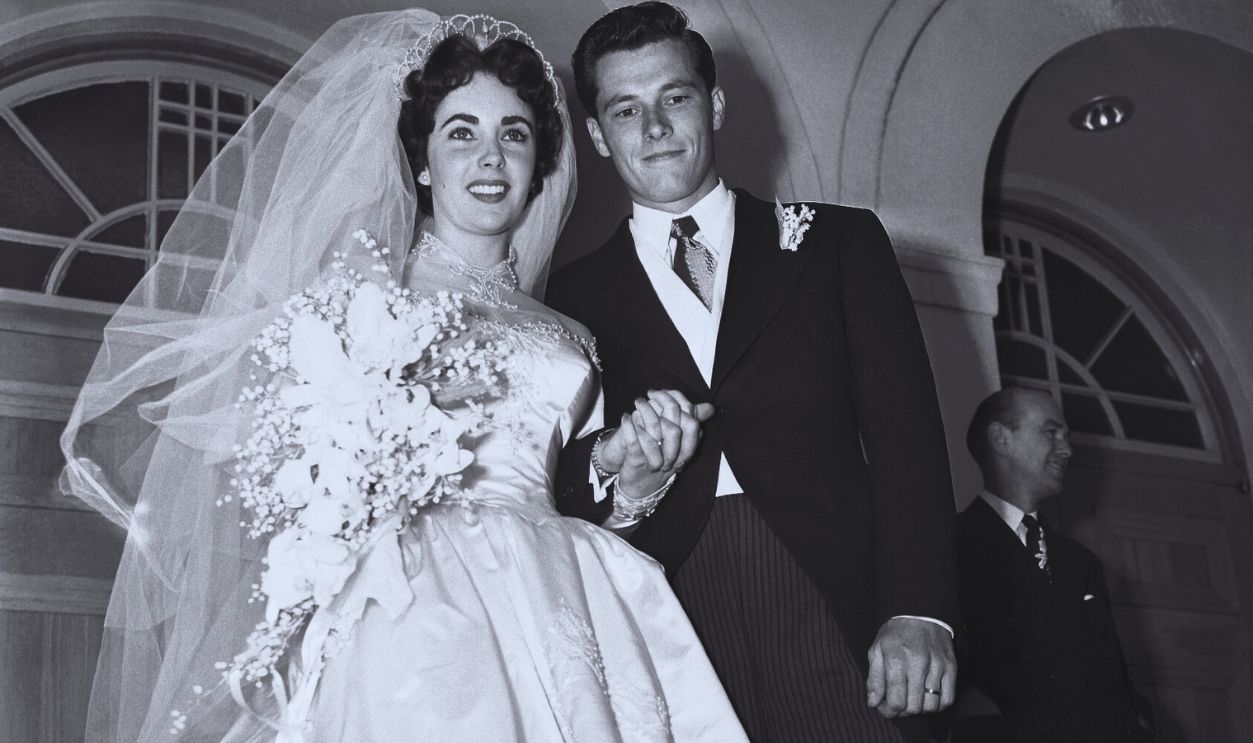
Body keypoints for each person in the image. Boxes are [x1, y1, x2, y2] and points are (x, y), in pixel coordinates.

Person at [59, 10, 747, 742]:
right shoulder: (365, 299)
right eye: (462, 133)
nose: (490, 158)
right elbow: (289, 468)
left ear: (539, 159)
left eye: (513, 134)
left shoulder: (573, 329)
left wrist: (632, 478)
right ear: (422, 160)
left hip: (562, 586)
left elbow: (575, 485)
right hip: (411, 600)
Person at [546, 3, 959, 741]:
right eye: (624, 109)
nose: (655, 127)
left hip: (836, 596)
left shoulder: (839, 243)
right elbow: (557, 472)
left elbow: (909, 442)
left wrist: (919, 607)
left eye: (674, 97)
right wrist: (618, 464)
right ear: (597, 136)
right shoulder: (571, 294)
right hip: (664, 605)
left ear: (715, 103)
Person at [954, 388, 1154, 742]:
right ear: (1001, 439)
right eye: (1051, 432)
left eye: (1067, 437)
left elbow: (1114, 682)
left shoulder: (1082, 563)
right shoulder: (949, 545)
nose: (1067, 450)